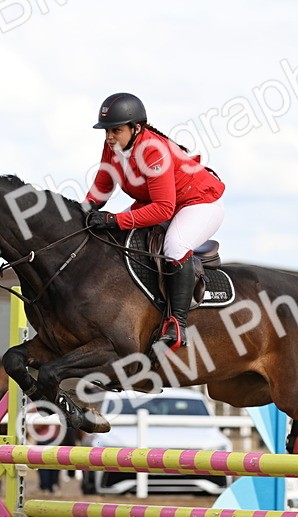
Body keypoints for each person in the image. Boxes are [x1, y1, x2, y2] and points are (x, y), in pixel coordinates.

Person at [83, 92, 226, 351]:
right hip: (161, 204)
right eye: (106, 131)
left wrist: (115, 219)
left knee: (175, 246)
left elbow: (163, 209)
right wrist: (84, 211)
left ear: (136, 128)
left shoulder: (153, 152)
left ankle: (177, 324)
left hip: (200, 203)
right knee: (111, 235)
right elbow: (103, 186)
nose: (109, 137)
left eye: (115, 130)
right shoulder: (113, 146)